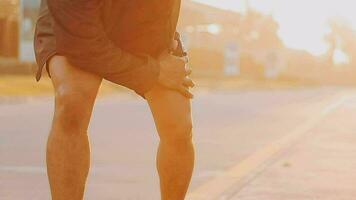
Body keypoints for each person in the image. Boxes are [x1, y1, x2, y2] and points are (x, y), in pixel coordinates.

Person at [33, 0, 195, 199]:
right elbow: (82, 46)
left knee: (178, 125)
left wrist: (162, 58)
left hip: (142, 20)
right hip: (73, 27)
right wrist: (155, 72)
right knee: (72, 100)